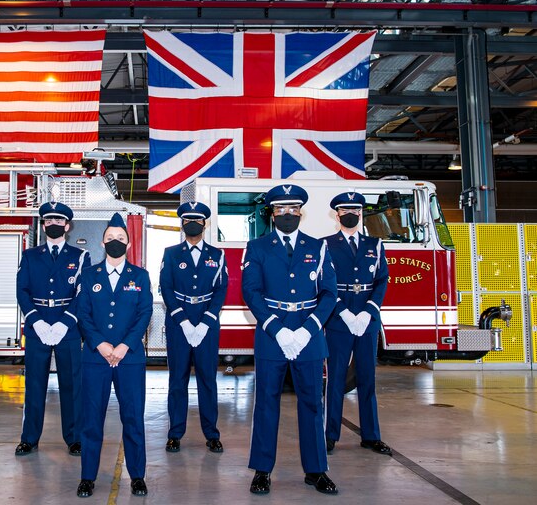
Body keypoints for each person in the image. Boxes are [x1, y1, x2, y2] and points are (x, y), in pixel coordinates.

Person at [242, 184, 339, 496]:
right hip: (273, 336)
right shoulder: (256, 248)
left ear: (301, 212)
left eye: (293, 209)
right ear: (272, 213)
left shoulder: (318, 248)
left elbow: (328, 293)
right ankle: (261, 470)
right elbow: (251, 292)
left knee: (312, 404)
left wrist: (308, 329)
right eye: (281, 209)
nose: (287, 214)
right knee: (266, 404)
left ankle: (316, 470)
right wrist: (278, 330)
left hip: (308, 336)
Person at [74, 213, 153, 498]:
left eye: (121, 238)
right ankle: (87, 477)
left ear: (129, 244)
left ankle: (137, 475)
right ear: (102, 242)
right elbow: (83, 315)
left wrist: (123, 346)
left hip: (129, 359)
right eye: (110, 239)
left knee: (133, 418)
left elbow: (145, 313)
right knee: (91, 419)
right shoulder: (90, 275)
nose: (115, 242)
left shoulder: (140, 276)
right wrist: (101, 345)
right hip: (96, 359)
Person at [15, 202, 90, 457]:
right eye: (49, 221)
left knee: (72, 385)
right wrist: (35, 320)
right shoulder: (29, 256)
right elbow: (22, 290)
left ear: (67, 226)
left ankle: (74, 438)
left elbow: (83, 293)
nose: (53, 225)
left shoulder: (80, 257)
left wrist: (65, 321)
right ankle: (29, 438)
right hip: (38, 326)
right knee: (35, 384)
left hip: (67, 328)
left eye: (59, 221)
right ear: (43, 225)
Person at [323, 192, 391, 456]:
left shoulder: (375, 244)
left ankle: (371, 435)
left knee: (367, 378)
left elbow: (382, 280)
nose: (350, 213)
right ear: (337, 214)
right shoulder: (325, 245)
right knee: (336, 378)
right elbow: (324, 284)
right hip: (339, 320)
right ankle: (330, 435)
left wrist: (369, 311)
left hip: (367, 320)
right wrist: (343, 312)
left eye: (355, 209)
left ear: (361, 213)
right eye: (345, 209)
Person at [159, 201, 228, 454]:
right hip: (179, 324)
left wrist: (208, 320)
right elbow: (165, 288)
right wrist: (183, 320)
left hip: (207, 324)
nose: (193, 224)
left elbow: (221, 289)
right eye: (188, 220)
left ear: (204, 224)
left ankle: (212, 434)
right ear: (182, 223)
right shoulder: (171, 253)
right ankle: (175, 433)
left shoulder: (217, 255)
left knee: (208, 380)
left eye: (197, 220)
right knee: (177, 379)